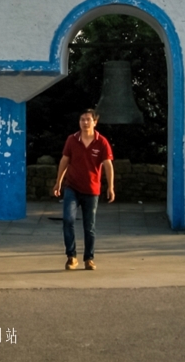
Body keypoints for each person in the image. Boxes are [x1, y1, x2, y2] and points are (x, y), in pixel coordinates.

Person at [52, 109, 115, 270]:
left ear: (95, 122)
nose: (85, 122)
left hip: (92, 189)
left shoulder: (101, 142)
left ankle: (89, 258)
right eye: (82, 119)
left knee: (89, 226)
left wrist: (111, 187)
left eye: (88, 119)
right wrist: (58, 182)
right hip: (72, 187)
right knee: (68, 220)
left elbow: (108, 165)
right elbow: (64, 161)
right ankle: (71, 257)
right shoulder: (72, 140)